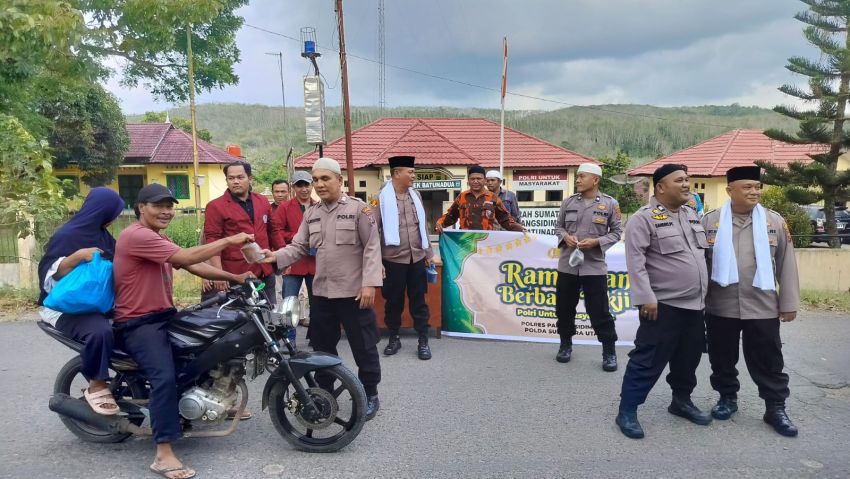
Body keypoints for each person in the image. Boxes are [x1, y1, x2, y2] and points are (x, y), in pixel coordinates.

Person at [112, 183, 255, 479]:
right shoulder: (136, 236)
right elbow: (187, 258)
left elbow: (195, 266)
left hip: (163, 316)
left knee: (208, 347)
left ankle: (205, 401)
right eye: (158, 206)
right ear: (141, 208)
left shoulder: (155, 237)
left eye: (169, 206)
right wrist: (229, 240)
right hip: (139, 322)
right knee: (163, 377)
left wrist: (234, 277)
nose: (166, 212)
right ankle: (163, 453)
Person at [261, 157, 383, 421]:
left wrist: (370, 284)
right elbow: (298, 247)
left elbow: (372, 247)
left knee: (364, 346)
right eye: (315, 180)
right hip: (322, 294)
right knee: (323, 348)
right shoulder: (312, 214)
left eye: (325, 178)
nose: (319, 184)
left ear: (340, 180)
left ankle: (370, 393)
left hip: (354, 293)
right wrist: (275, 257)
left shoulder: (359, 209)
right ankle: (325, 393)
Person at [702, 166, 800, 437]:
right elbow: (699, 265)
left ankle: (775, 407)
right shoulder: (710, 222)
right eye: (747, 187)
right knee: (722, 357)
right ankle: (727, 398)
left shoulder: (774, 221)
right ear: (730, 190)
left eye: (757, 187)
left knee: (768, 359)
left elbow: (786, 264)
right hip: (720, 305)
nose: (754, 191)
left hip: (762, 305)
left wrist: (789, 303)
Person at [616, 164, 711, 439]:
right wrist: (645, 297)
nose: (686, 185)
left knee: (688, 359)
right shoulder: (643, 219)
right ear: (660, 187)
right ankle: (628, 409)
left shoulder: (692, 215)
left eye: (687, 180)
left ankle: (681, 401)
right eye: (679, 180)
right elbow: (636, 262)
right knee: (647, 359)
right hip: (662, 305)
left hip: (696, 305)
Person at [37, 187, 125, 415]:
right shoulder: (68, 235)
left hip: (97, 304)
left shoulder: (105, 237)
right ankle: (96, 383)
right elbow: (49, 274)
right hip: (65, 308)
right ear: (102, 211)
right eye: (114, 212)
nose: (115, 217)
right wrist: (76, 257)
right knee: (100, 332)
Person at [552, 163, 622, 371]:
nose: (578, 180)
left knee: (599, 311)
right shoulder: (569, 202)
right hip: (567, 266)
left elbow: (616, 232)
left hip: (594, 268)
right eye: (577, 177)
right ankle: (565, 345)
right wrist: (566, 237)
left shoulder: (610, 204)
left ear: (596, 180)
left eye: (582, 176)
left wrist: (597, 242)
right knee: (564, 309)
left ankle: (609, 351)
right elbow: (558, 227)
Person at [373, 155, 435, 360]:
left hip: (416, 258)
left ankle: (423, 340)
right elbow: (373, 231)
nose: (413, 176)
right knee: (393, 302)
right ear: (397, 173)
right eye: (410, 172)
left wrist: (429, 254)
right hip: (392, 260)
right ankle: (393, 337)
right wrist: (376, 261)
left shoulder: (415, 195)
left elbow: (423, 227)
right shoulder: (380, 198)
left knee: (419, 301)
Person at [203, 161, 277, 303]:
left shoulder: (262, 201)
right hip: (236, 272)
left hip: (264, 270)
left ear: (250, 179)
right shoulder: (215, 206)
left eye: (240, 177)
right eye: (231, 178)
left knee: (269, 315)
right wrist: (220, 274)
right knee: (241, 316)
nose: (235, 182)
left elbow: (271, 232)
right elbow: (212, 241)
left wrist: (279, 258)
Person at [270, 170, 317, 339]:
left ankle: (316, 336)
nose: (304, 189)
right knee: (289, 303)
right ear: (294, 187)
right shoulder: (285, 207)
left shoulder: (318, 206)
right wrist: (295, 242)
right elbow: (277, 232)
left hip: (314, 262)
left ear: (312, 186)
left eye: (307, 185)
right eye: (299, 185)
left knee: (317, 302)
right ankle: (290, 340)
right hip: (293, 262)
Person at [436, 166, 525, 233]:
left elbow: (505, 220)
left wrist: (520, 229)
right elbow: (451, 216)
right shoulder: (462, 197)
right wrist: (440, 223)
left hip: (487, 241)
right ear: (468, 180)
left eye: (479, 178)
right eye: (472, 179)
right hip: (466, 242)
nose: (475, 181)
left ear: (484, 180)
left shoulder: (493, 197)